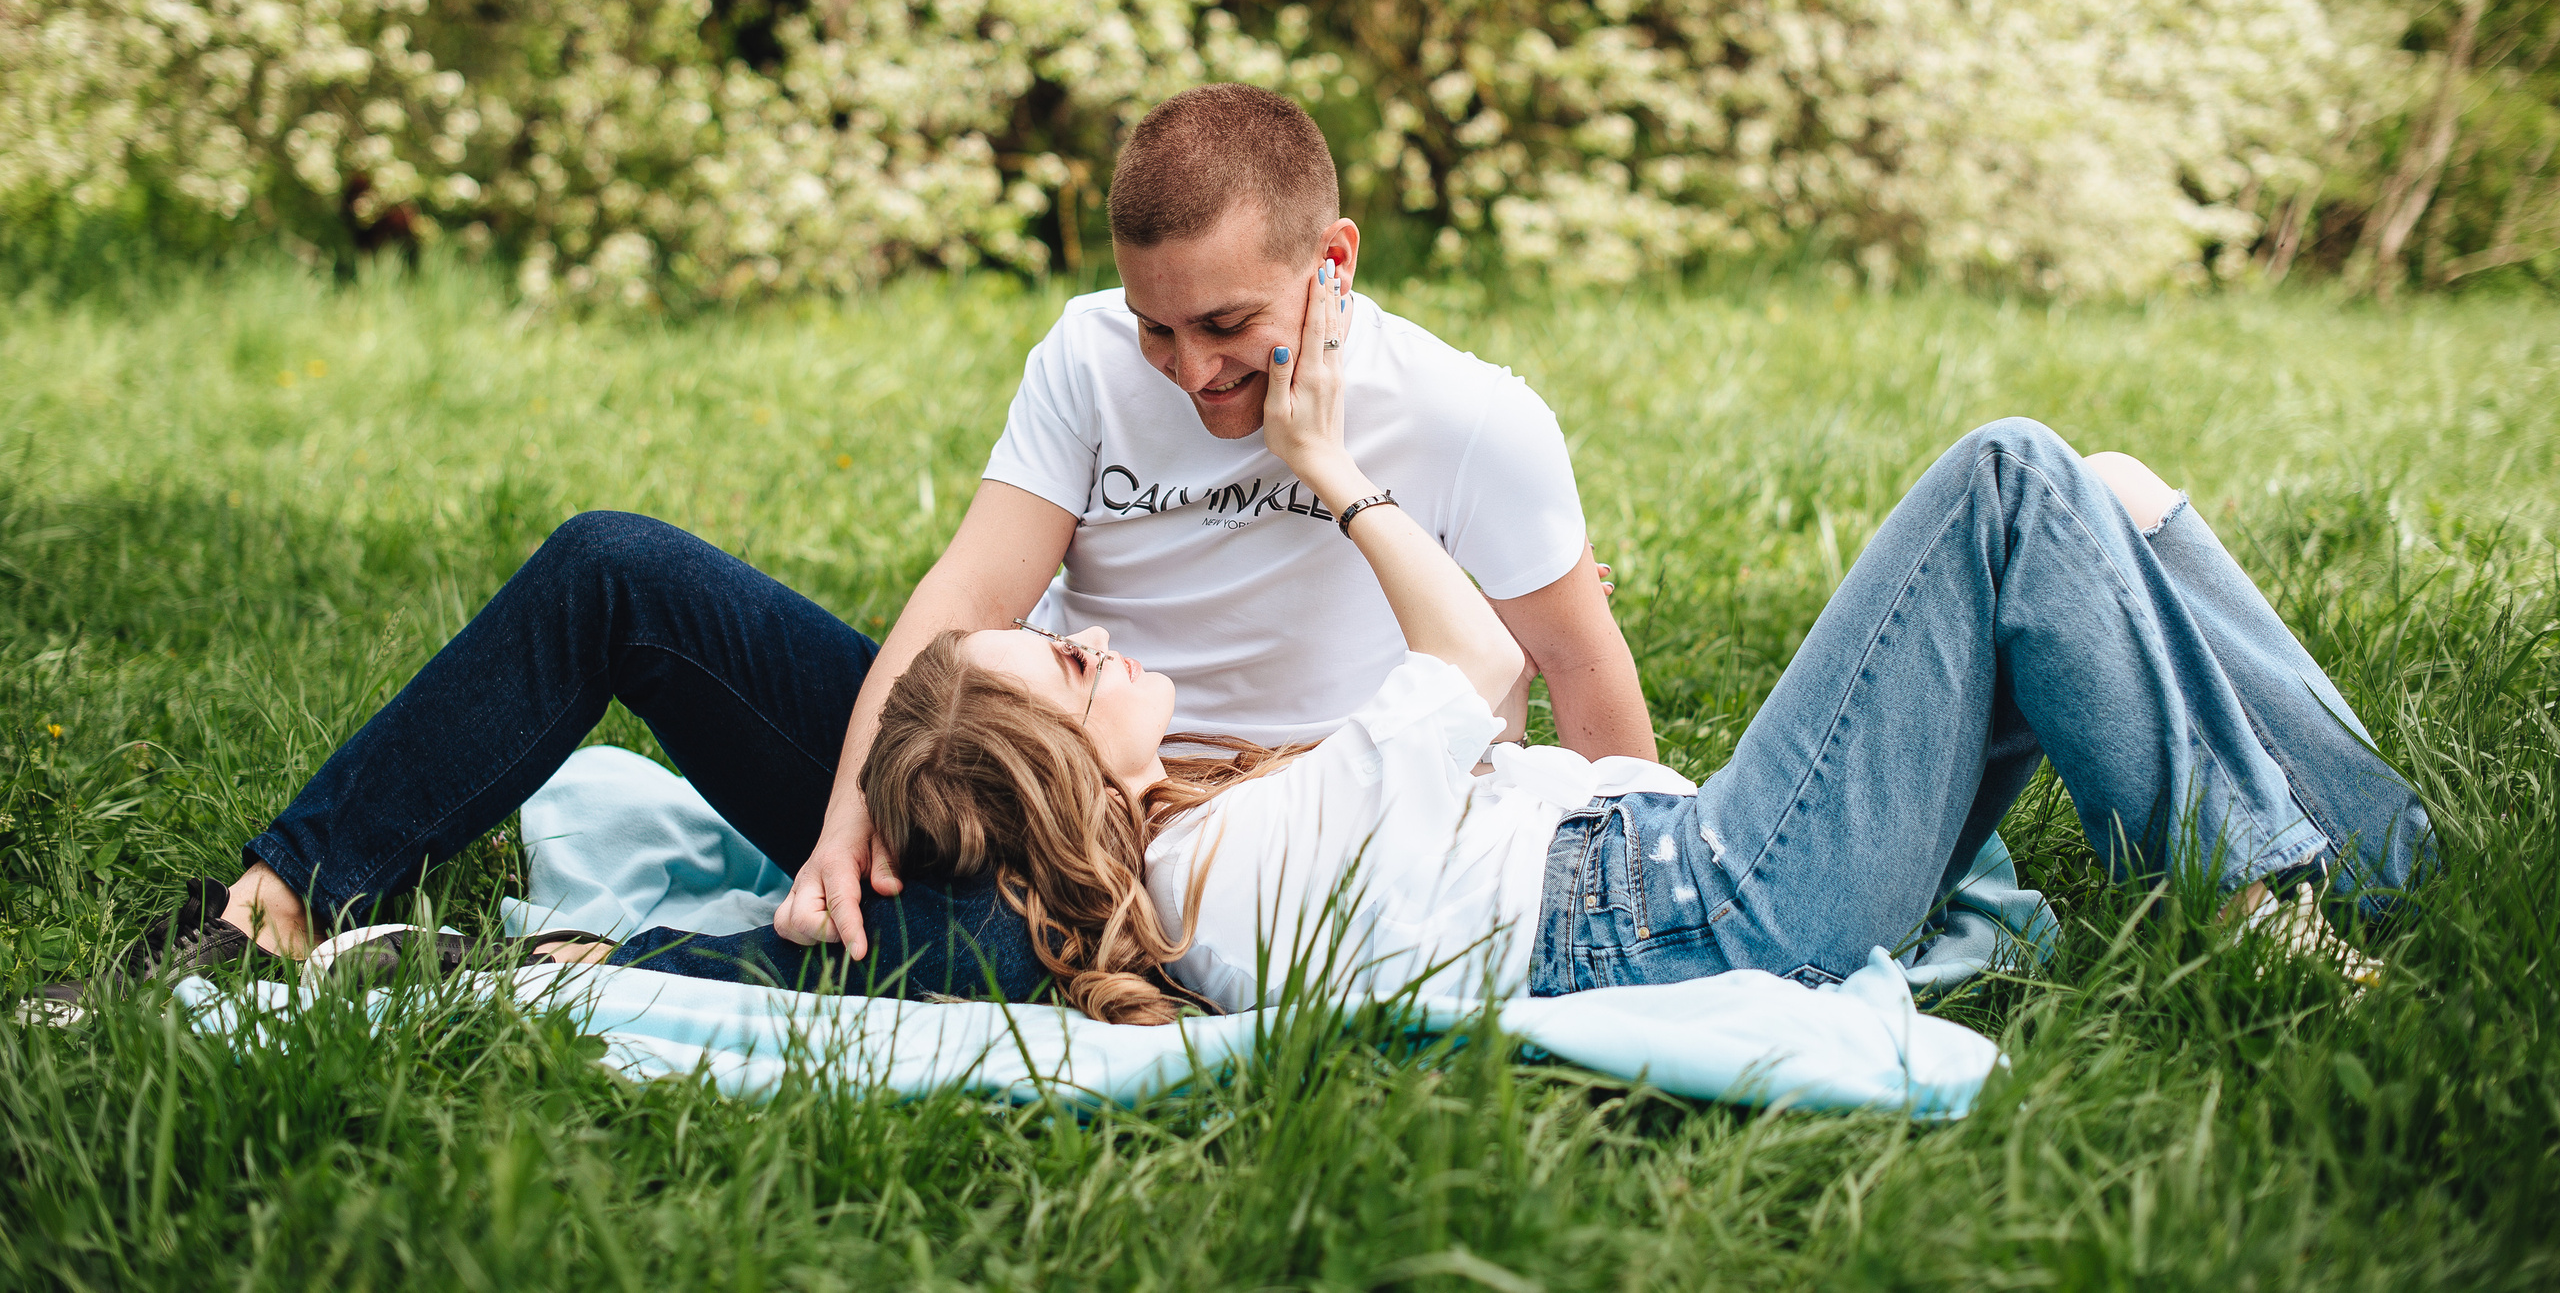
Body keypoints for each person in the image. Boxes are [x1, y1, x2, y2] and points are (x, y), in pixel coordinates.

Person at [43, 83, 1646, 1003]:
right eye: (1159, 330)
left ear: (1332, 264)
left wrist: (1661, 916)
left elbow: (1589, 694)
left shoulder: (1471, 418)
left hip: (1209, 868)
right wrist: (838, 817)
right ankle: (275, 909)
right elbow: (964, 602)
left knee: (1004, 956)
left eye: (1226, 326)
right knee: (615, 566)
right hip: (1020, 761)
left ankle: (564, 972)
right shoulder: (1091, 360)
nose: (1191, 370)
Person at [855, 264, 2436, 1022]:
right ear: (1063, 775)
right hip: (1709, 900)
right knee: (2009, 475)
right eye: (1062, 671)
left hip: (1684, 867)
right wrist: (1330, 469)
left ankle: (2381, 865)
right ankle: (2253, 893)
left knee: (2102, 495)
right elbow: (1482, 667)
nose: (1088, 641)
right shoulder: (1217, 868)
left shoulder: (1202, 831)